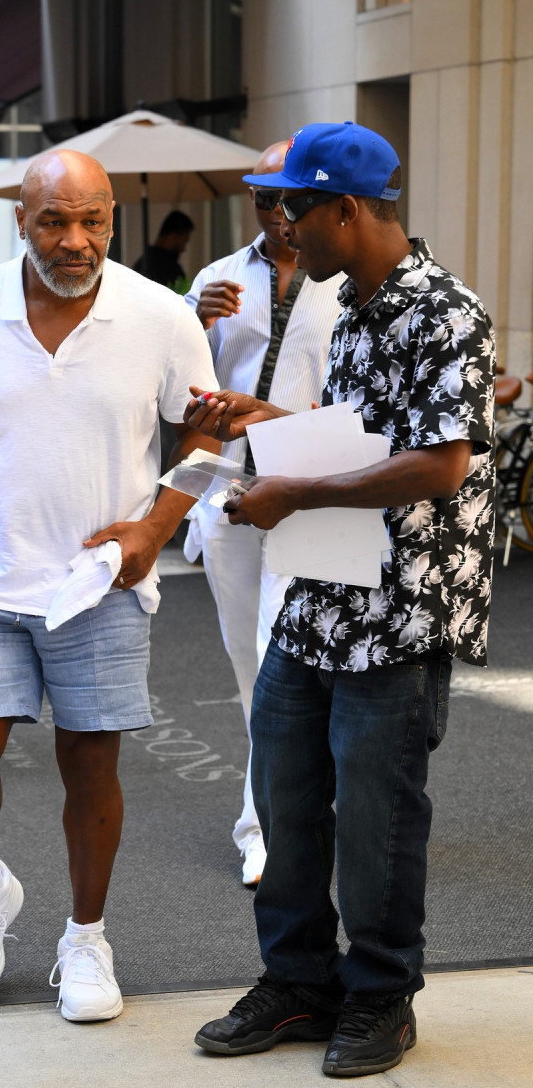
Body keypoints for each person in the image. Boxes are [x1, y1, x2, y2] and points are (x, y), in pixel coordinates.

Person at [188, 122, 495, 1076]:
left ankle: (379, 997)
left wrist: (293, 493)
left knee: (376, 816)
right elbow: (361, 438)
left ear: (348, 209)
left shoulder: (448, 312)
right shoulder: (355, 304)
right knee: (284, 796)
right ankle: (298, 984)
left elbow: (440, 464)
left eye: (293, 207)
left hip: (400, 608)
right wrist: (263, 419)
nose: (280, 225)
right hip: (323, 591)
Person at [0, 149, 217, 1023]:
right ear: (22, 220)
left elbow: (207, 439)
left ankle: (85, 936)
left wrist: (154, 530)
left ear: (113, 217)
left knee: (90, 762)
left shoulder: (162, 316)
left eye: (93, 221)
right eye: (53, 222)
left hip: (96, 584)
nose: (75, 241)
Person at [184, 141, 342, 887]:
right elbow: (180, 395)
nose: (276, 214)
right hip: (227, 493)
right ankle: (269, 822)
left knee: (283, 658)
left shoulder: (344, 283)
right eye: (261, 199)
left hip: (307, 490)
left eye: (286, 198)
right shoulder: (216, 279)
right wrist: (192, 317)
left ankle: (269, 824)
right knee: (251, 667)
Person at [133, 209, 194, 292]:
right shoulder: (167, 268)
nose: (184, 248)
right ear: (173, 236)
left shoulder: (142, 263)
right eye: (183, 241)